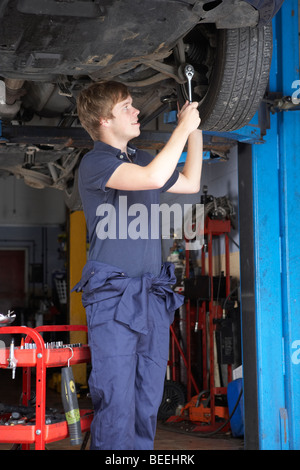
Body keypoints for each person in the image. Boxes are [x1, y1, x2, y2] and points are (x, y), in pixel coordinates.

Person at [73, 80, 203, 450]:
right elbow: (152, 179)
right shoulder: (96, 163)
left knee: (148, 399)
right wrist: (180, 129)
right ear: (103, 120)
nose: (135, 112)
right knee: (116, 400)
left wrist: (195, 128)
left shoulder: (145, 158)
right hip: (112, 296)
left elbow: (191, 182)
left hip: (150, 295)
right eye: (126, 106)